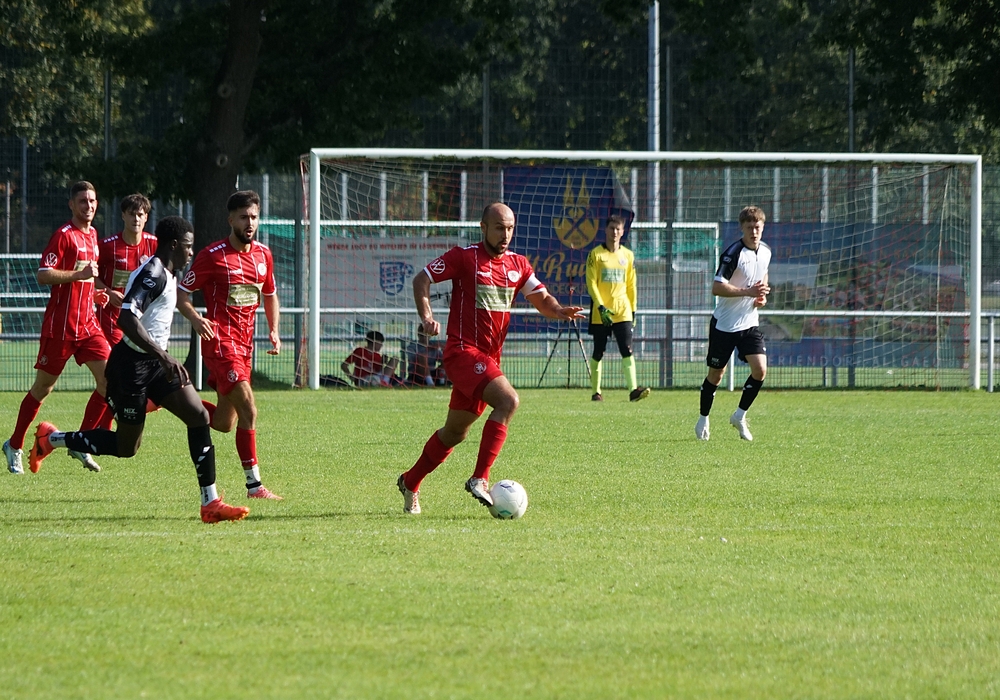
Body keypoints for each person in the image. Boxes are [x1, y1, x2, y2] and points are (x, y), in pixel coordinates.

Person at [27, 216, 249, 523]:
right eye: (188, 246)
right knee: (126, 447)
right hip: (129, 367)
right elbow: (126, 318)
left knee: (198, 416)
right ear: (174, 245)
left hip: (154, 364)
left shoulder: (166, 273)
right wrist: (164, 355)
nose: (191, 252)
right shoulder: (153, 273)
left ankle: (210, 503)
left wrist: (161, 358)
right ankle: (52, 439)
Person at [396, 202, 584, 515]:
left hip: (487, 360)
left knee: (454, 433)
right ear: (483, 228)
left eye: (510, 228)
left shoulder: (518, 264)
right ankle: (480, 478)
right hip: (462, 352)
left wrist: (558, 310)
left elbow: (542, 298)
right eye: (499, 228)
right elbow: (421, 279)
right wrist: (427, 317)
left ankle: (409, 481)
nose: (505, 234)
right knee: (509, 401)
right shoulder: (464, 257)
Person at [177, 190, 283, 500]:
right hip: (221, 343)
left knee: (224, 423)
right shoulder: (213, 255)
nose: (249, 223)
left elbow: (269, 294)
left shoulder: (263, 255)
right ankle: (255, 486)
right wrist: (196, 319)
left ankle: (169, 398)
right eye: (243, 217)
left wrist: (274, 330)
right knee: (249, 409)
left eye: (254, 217)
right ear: (231, 220)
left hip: (245, 347)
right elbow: (182, 294)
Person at [2, 181, 111, 475]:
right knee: (43, 388)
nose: (88, 206)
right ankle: (14, 444)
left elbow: (86, 279)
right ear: (71, 205)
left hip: (88, 326)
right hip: (60, 329)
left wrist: (94, 293)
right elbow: (43, 274)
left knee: (109, 382)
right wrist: (79, 275)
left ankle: (80, 442)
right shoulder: (63, 236)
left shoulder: (93, 236)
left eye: (92, 201)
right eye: (83, 201)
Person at [695, 205, 771, 442]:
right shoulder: (733, 253)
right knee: (716, 376)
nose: (754, 232)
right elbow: (717, 287)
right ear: (742, 228)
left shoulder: (766, 251)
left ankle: (739, 416)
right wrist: (748, 292)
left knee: (760, 370)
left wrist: (761, 296)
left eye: (757, 227)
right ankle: (703, 417)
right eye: (749, 227)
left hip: (749, 323)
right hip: (725, 325)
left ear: (762, 227)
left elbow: (763, 274)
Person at [585, 213, 650, 403]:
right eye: (611, 228)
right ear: (606, 230)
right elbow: (591, 283)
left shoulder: (628, 255)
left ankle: (633, 391)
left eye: (618, 229)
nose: (614, 232)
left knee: (627, 349)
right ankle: (596, 392)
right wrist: (601, 307)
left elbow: (631, 285)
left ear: (622, 232)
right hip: (601, 313)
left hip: (623, 311)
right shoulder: (596, 254)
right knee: (599, 351)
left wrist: (633, 310)